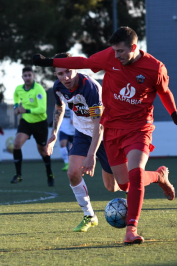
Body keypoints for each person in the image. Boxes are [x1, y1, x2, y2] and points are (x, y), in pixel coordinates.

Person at [33, 27, 177, 245]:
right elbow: (83, 62)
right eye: (114, 51)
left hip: (138, 127)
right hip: (112, 130)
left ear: (134, 47)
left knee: (135, 174)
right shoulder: (109, 57)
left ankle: (131, 230)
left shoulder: (155, 68)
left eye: (121, 51)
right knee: (123, 184)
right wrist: (48, 62)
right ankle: (158, 176)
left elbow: (164, 91)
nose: (116, 56)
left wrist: (175, 116)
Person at [46, 52, 120, 232]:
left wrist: (91, 155)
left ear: (76, 68)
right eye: (60, 74)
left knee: (114, 187)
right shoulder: (59, 87)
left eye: (69, 71)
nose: (66, 77)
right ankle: (89, 215)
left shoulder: (91, 88)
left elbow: (99, 126)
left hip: (105, 134)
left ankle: (148, 178)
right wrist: (54, 134)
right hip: (82, 133)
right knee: (72, 173)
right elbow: (59, 108)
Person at [10, 67, 54, 186]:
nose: (27, 77)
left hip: (40, 123)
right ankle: (18, 175)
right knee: (17, 144)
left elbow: (42, 109)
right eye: (25, 75)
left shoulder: (39, 90)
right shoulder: (19, 89)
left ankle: (49, 173)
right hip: (26, 122)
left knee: (42, 151)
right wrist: (15, 107)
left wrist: (26, 110)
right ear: (22, 77)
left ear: (33, 76)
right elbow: (15, 95)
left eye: (29, 75)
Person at [58, 106, 75, 171]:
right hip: (63, 129)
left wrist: (74, 118)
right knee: (62, 144)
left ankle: (75, 163)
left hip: (74, 130)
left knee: (75, 148)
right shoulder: (60, 102)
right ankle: (66, 163)